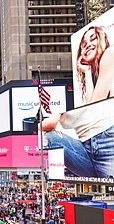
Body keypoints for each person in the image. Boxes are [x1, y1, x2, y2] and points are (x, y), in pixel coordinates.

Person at [42, 25, 114, 178]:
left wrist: (61, 118)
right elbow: (91, 105)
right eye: (83, 43)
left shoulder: (110, 53)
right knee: (52, 138)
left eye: (93, 38)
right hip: (88, 144)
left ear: (102, 40)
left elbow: (95, 104)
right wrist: (87, 72)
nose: (87, 45)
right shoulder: (94, 74)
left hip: (108, 139)